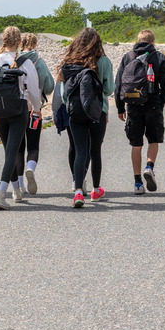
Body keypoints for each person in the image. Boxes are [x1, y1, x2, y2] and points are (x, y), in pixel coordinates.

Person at [0, 26, 41, 209]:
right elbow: (35, 89)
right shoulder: (24, 62)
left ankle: (16, 190)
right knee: (12, 153)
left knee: (9, 152)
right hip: (18, 110)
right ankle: (0, 195)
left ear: (2, 41)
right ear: (19, 42)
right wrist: (36, 108)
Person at [59, 27, 114, 208]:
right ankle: (96, 190)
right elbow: (108, 90)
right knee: (95, 151)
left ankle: (77, 192)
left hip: (75, 112)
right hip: (98, 112)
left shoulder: (69, 62)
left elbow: (63, 93)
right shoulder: (103, 61)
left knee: (80, 150)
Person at [114, 29, 165, 195]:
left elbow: (118, 84)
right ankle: (149, 166)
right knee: (154, 140)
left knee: (136, 144)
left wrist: (119, 107)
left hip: (132, 105)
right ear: (153, 42)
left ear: (137, 41)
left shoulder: (128, 57)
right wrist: (162, 102)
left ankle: (138, 182)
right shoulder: (158, 57)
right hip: (153, 104)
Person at [15, 32, 55, 194]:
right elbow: (50, 86)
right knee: (33, 145)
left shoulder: (15, 60)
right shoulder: (39, 62)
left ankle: (19, 184)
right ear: (35, 45)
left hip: (17, 108)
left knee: (18, 147)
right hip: (35, 109)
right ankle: (30, 167)